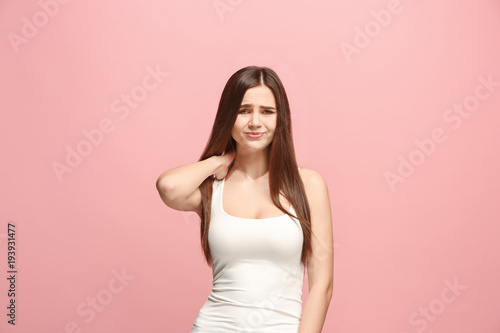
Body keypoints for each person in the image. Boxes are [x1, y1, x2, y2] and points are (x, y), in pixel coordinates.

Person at [156, 66, 334, 332]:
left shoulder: (308, 185)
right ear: (228, 117)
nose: (254, 122)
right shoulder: (213, 188)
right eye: (243, 111)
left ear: (281, 119)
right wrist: (220, 159)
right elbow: (169, 186)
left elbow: (323, 285)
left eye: (267, 112)